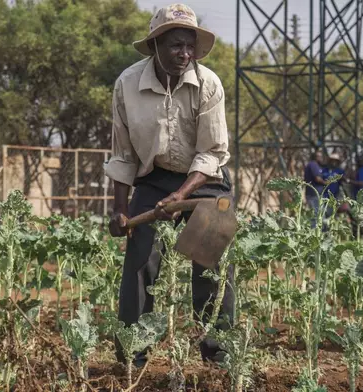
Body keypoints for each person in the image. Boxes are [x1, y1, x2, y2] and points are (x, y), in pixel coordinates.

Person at [103, 4, 234, 367]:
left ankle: (218, 354)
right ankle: (133, 352)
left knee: (211, 262)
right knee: (141, 260)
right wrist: (120, 209)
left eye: (190, 47)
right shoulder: (127, 85)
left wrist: (181, 195)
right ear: (156, 46)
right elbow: (123, 154)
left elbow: (211, 153)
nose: (185, 54)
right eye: (176, 46)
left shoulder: (208, 84)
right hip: (155, 178)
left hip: (205, 181)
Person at [303, 151, 327, 228]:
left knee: (319, 214)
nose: (320, 158)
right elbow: (317, 178)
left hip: (315, 194)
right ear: (315, 157)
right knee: (317, 214)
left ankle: (320, 233)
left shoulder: (316, 165)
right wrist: (326, 183)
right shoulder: (313, 165)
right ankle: (316, 233)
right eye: (319, 156)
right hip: (313, 194)